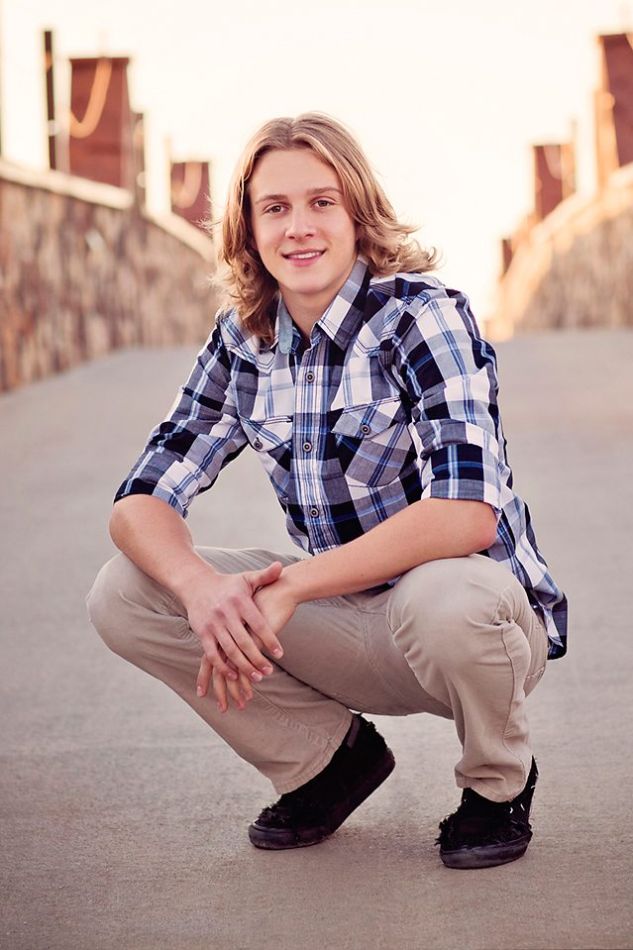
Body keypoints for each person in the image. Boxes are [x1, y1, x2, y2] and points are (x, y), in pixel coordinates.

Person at [87, 112, 567, 870]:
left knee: (446, 597)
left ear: (356, 214)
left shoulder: (421, 315)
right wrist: (201, 589)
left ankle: (495, 783)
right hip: (346, 620)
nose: (298, 228)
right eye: (274, 208)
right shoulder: (245, 339)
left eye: (321, 202)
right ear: (247, 227)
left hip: (471, 626)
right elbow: (140, 497)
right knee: (126, 589)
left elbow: (465, 513)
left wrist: (292, 586)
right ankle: (325, 763)